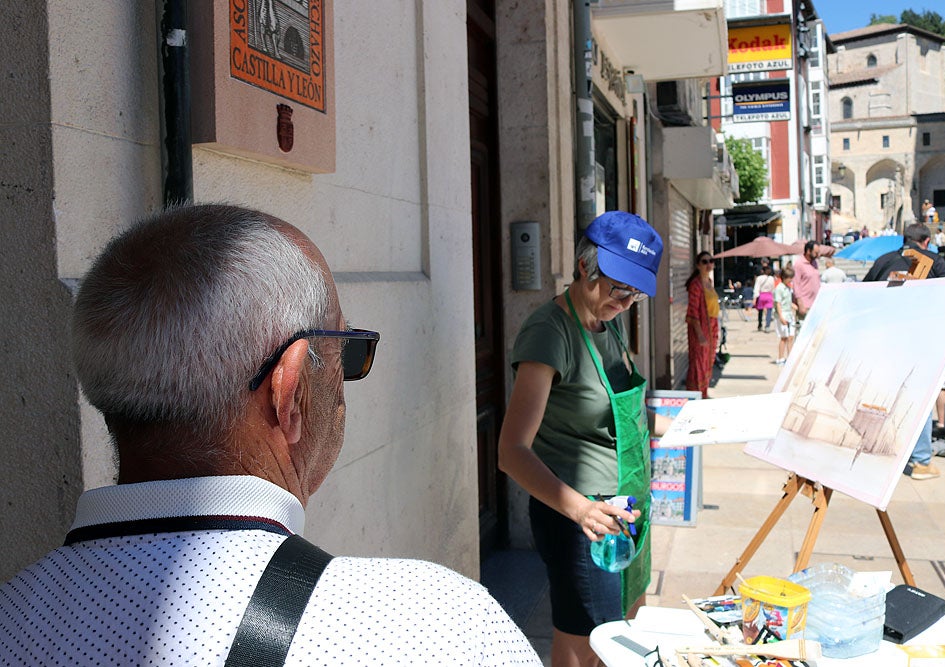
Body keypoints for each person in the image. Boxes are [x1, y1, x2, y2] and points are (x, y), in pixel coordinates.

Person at [0, 204, 541, 666]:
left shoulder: (13, 622)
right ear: (291, 391)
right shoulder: (433, 628)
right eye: (345, 353)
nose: (346, 383)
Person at [497, 211, 667, 667]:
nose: (626, 301)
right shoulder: (550, 332)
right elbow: (511, 451)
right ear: (583, 266)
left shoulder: (607, 322)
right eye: (618, 287)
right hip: (580, 516)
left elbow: (614, 410)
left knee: (624, 630)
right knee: (587, 645)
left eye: (635, 292)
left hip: (622, 503)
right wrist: (583, 510)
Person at [863, 222, 945, 481]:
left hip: (882, 338)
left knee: (883, 395)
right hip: (918, 340)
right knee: (919, 398)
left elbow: (864, 292)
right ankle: (921, 460)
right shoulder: (933, 261)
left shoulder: (883, 260)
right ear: (925, 241)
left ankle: (879, 450)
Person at [686, 250, 720, 398]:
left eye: (711, 261)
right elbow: (692, 312)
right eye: (704, 262)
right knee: (698, 363)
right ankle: (695, 396)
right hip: (701, 328)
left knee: (708, 361)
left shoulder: (709, 282)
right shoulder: (696, 284)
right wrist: (700, 334)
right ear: (698, 265)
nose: (709, 264)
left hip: (712, 326)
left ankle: (703, 394)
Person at [791, 240, 821, 325]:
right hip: (805, 304)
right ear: (808, 251)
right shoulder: (799, 264)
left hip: (815, 304)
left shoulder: (814, 263)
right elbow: (796, 285)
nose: (818, 255)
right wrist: (800, 304)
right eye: (816, 253)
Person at [773, 267, 796, 364]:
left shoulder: (788, 288)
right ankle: (780, 357)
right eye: (789, 278)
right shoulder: (779, 288)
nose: (791, 280)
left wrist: (793, 306)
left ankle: (790, 356)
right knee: (784, 337)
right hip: (783, 314)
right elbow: (778, 303)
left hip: (789, 314)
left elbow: (787, 300)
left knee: (791, 336)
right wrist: (781, 316)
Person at [752, 264, 775, 332]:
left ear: (762, 271)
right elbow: (773, 288)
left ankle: (760, 324)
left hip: (761, 295)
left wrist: (755, 297)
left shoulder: (759, 278)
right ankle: (767, 325)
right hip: (769, 295)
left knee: (760, 311)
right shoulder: (771, 278)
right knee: (769, 311)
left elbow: (756, 288)